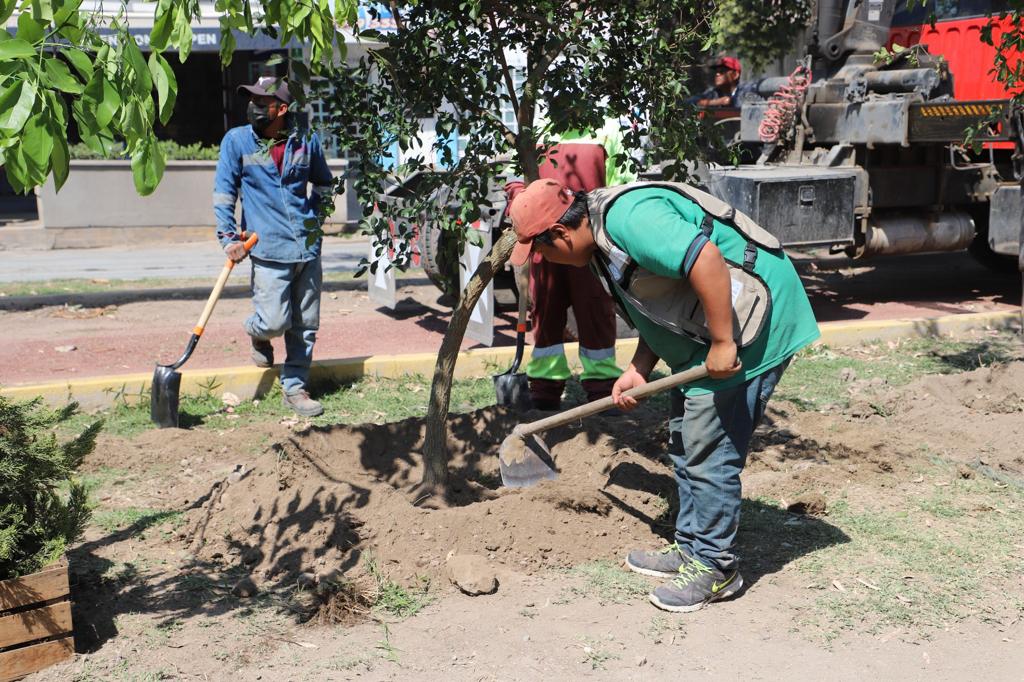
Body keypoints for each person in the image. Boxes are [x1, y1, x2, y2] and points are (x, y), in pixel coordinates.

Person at [507, 179, 820, 613]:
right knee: (685, 441)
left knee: (709, 449)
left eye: (541, 250)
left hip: (754, 317)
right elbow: (658, 304)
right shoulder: (596, 243)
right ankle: (692, 548)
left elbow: (706, 260)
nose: (544, 260)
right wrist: (638, 369)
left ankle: (715, 566)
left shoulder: (630, 220)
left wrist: (724, 343)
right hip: (708, 330)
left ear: (560, 234)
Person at [213, 76, 334, 417]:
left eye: (260, 102)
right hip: (267, 249)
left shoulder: (305, 140)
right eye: (250, 99)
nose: (252, 106)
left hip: (306, 247)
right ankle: (257, 334)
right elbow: (224, 193)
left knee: (305, 324)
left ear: (281, 108)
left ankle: (294, 387)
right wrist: (229, 238)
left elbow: (324, 183)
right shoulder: (237, 141)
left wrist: (316, 220)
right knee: (273, 322)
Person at [503, 121, 635, 409]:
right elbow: (514, 177)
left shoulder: (608, 131)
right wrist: (518, 202)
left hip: (587, 242)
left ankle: (601, 391)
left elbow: (620, 186)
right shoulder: (534, 127)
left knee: (596, 312)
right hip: (542, 243)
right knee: (545, 315)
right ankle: (545, 390)